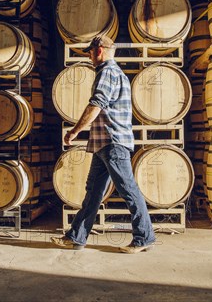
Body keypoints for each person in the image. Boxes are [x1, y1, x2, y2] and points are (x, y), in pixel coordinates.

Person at [51, 34, 156, 254]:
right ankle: (76, 237)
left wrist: (74, 131)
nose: (89, 56)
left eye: (90, 52)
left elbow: (96, 104)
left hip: (112, 142)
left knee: (128, 189)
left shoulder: (107, 72)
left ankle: (144, 237)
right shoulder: (114, 73)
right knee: (93, 192)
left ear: (99, 50)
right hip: (103, 144)